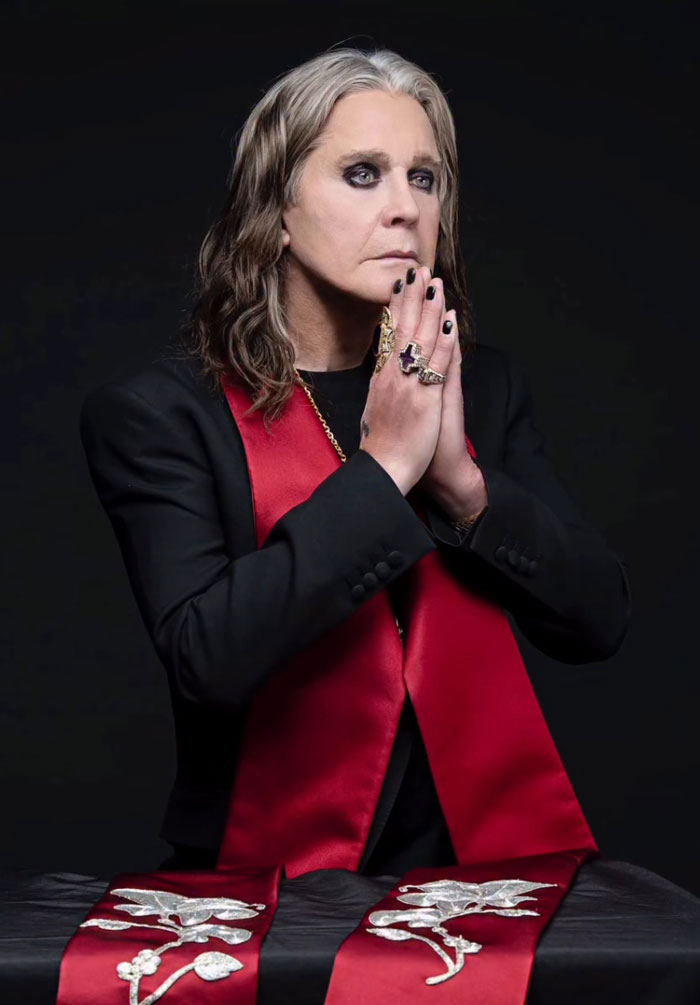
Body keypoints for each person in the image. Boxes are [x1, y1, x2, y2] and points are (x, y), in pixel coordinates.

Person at [79, 46, 630, 878]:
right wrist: (384, 469)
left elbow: (597, 620)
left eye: (426, 178)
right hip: (269, 881)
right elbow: (208, 660)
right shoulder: (162, 413)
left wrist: (466, 490)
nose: (406, 208)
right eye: (364, 174)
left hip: (482, 867)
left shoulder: (485, 383)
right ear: (278, 207)